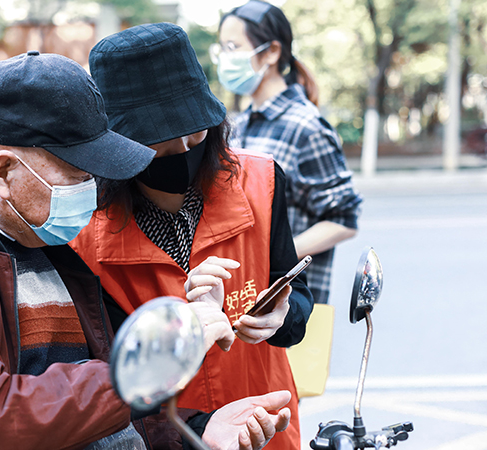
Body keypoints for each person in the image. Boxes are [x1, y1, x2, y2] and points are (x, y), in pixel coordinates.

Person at [0, 51, 291, 450]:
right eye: (77, 174)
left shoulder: (51, 247)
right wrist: (152, 362)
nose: (92, 192)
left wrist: (197, 432)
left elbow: (104, 407)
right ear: (4, 173)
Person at [71, 23, 313, 450]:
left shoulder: (262, 180)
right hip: (170, 438)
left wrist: (282, 316)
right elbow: (106, 377)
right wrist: (185, 331)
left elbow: (295, 292)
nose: (183, 150)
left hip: (265, 423)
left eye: (196, 133)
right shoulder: (84, 233)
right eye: (159, 146)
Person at [213, 0, 363, 304]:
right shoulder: (238, 125)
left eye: (234, 46)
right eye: (222, 48)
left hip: (289, 305)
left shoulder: (306, 126)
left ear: (271, 52)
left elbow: (344, 220)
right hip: (244, 298)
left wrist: (276, 257)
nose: (226, 58)